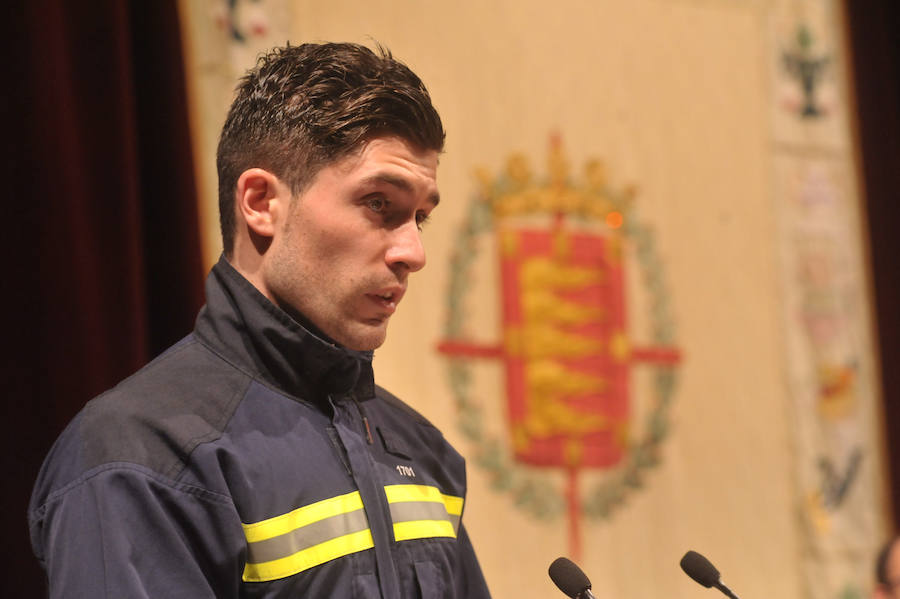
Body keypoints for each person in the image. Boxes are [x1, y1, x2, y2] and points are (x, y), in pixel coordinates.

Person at [29, 42, 492, 598]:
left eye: (420, 218)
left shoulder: (422, 451)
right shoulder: (139, 456)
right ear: (260, 202)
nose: (413, 251)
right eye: (378, 204)